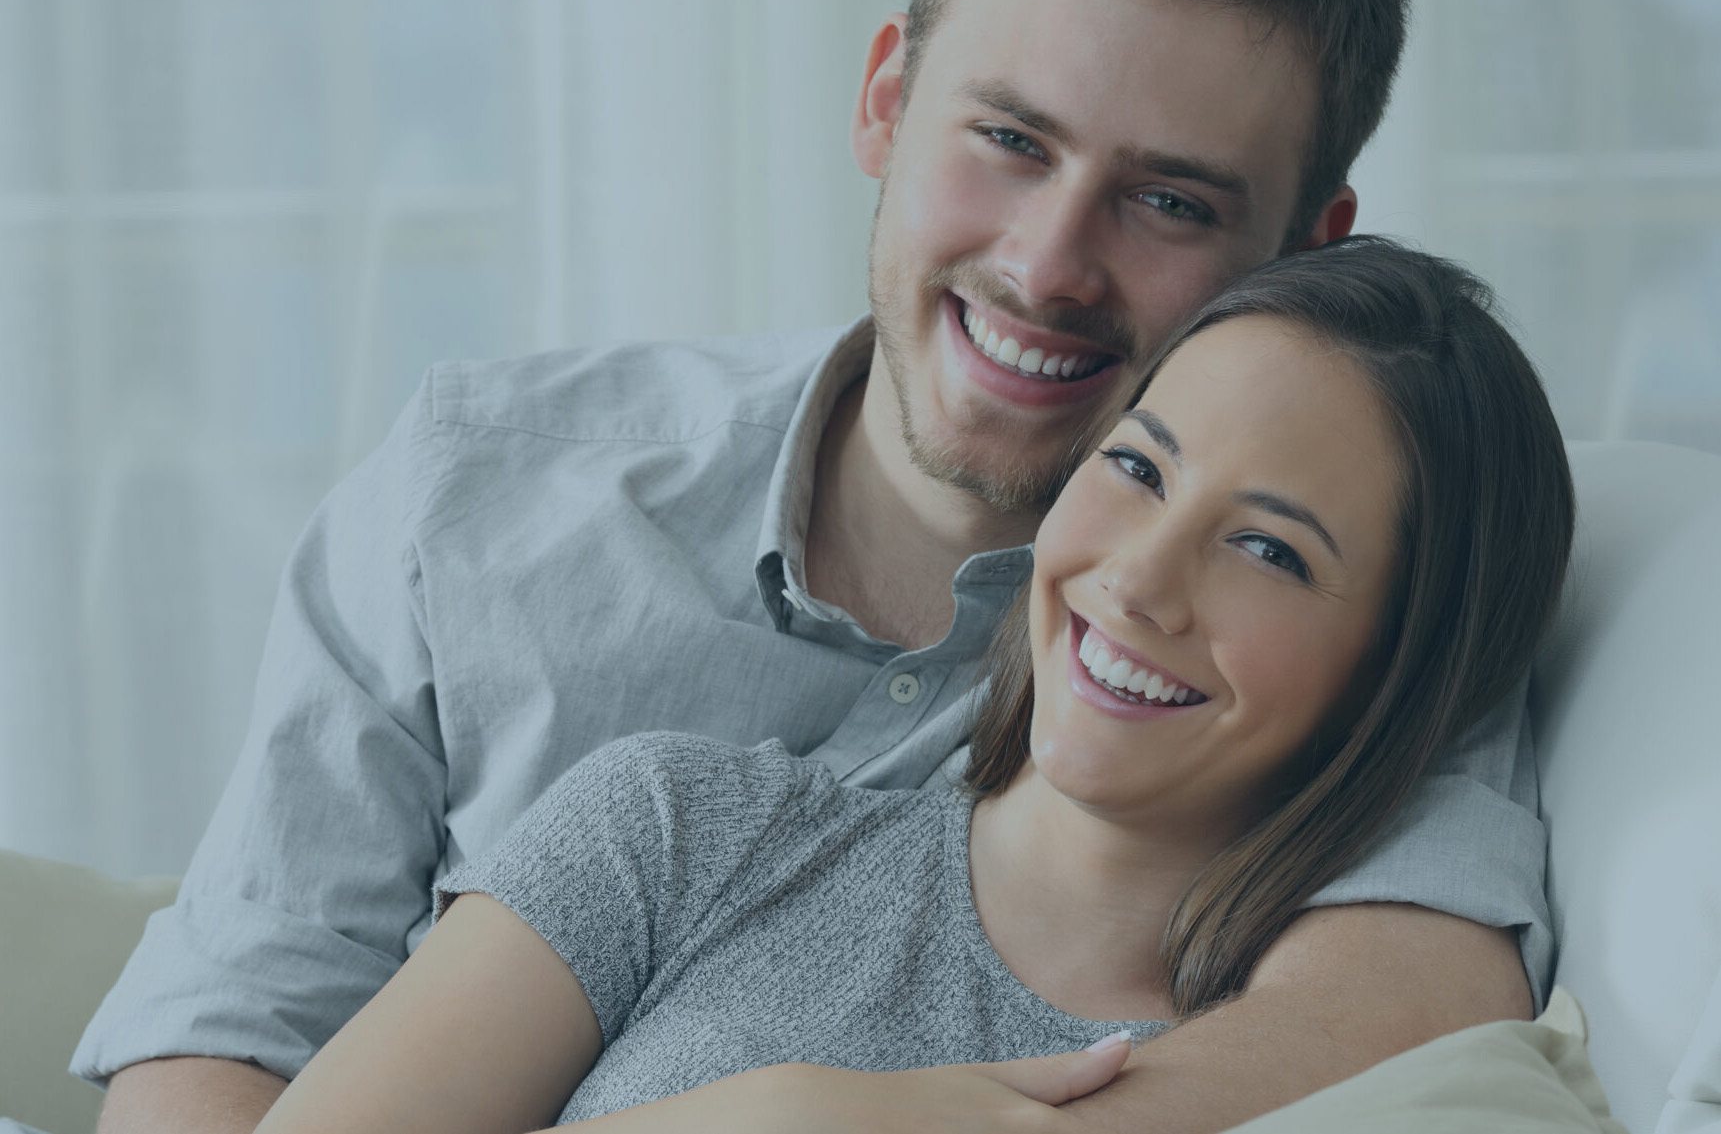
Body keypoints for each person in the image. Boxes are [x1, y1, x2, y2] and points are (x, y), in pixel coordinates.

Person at [79, 0, 1552, 1134]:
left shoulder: (1354, 610)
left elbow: (1406, 1004)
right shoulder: (480, 500)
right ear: (884, 104)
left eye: (1167, 200)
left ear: (1304, 258)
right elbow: (228, 1033)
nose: (1046, 263)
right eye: (1008, 138)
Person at [246, 239, 1577, 1133]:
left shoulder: (1352, 1068)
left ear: (1398, 672)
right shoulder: (676, 826)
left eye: (1267, 549)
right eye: (1137, 468)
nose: (1137, 580)